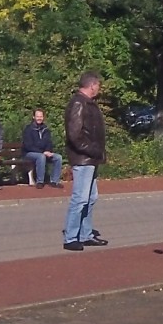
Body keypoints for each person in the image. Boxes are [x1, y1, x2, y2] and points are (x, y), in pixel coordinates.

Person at [63, 71, 108, 251]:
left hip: (90, 158)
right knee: (80, 198)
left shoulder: (88, 103)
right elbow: (74, 135)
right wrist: (92, 149)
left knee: (90, 197)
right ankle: (71, 237)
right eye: (98, 85)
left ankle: (85, 234)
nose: (99, 89)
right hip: (83, 158)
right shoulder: (78, 103)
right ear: (92, 85)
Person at [22, 108, 63, 189]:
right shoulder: (28, 129)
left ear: (43, 117)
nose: (39, 118)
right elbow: (28, 146)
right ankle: (40, 181)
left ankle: (55, 181)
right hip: (29, 153)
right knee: (41, 157)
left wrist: (48, 151)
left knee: (58, 157)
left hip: (43, 152)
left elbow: (48, 142)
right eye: (37, 116)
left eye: (41, 116)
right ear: (34, 117)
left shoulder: (45, 129)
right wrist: (42, 152)